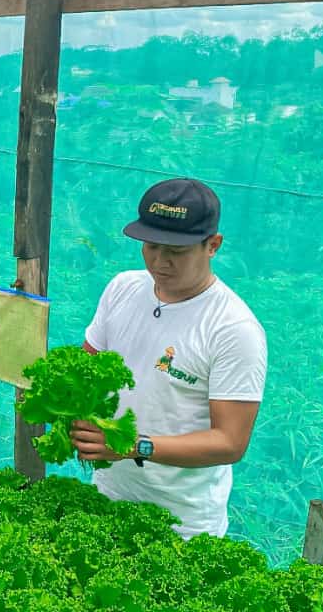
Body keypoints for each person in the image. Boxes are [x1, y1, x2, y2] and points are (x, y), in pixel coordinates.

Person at [70, 178, 267, 538]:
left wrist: (134, 446)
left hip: (183, 526)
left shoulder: (232, 328)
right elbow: (86, 370)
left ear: (213, 246)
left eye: (176, 251)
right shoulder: (123, 289)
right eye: (151, 246)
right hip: (105, 498)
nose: (160, 261)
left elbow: (229, 441)